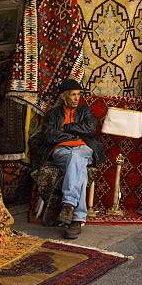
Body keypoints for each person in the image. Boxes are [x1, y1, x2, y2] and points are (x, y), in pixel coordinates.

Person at [28, 78, 105, 240]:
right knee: (80, 170)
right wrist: (75, 134)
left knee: (77, 156)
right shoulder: (53, 114)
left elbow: (90, 129)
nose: (77, 98)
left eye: (78, 95)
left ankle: (69, 204)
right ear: (64, 96)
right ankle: (76, 219)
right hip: (61, 151)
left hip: (84, 150)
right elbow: (49, 135)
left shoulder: (85, 111)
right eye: (73, 95)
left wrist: (66, 128)